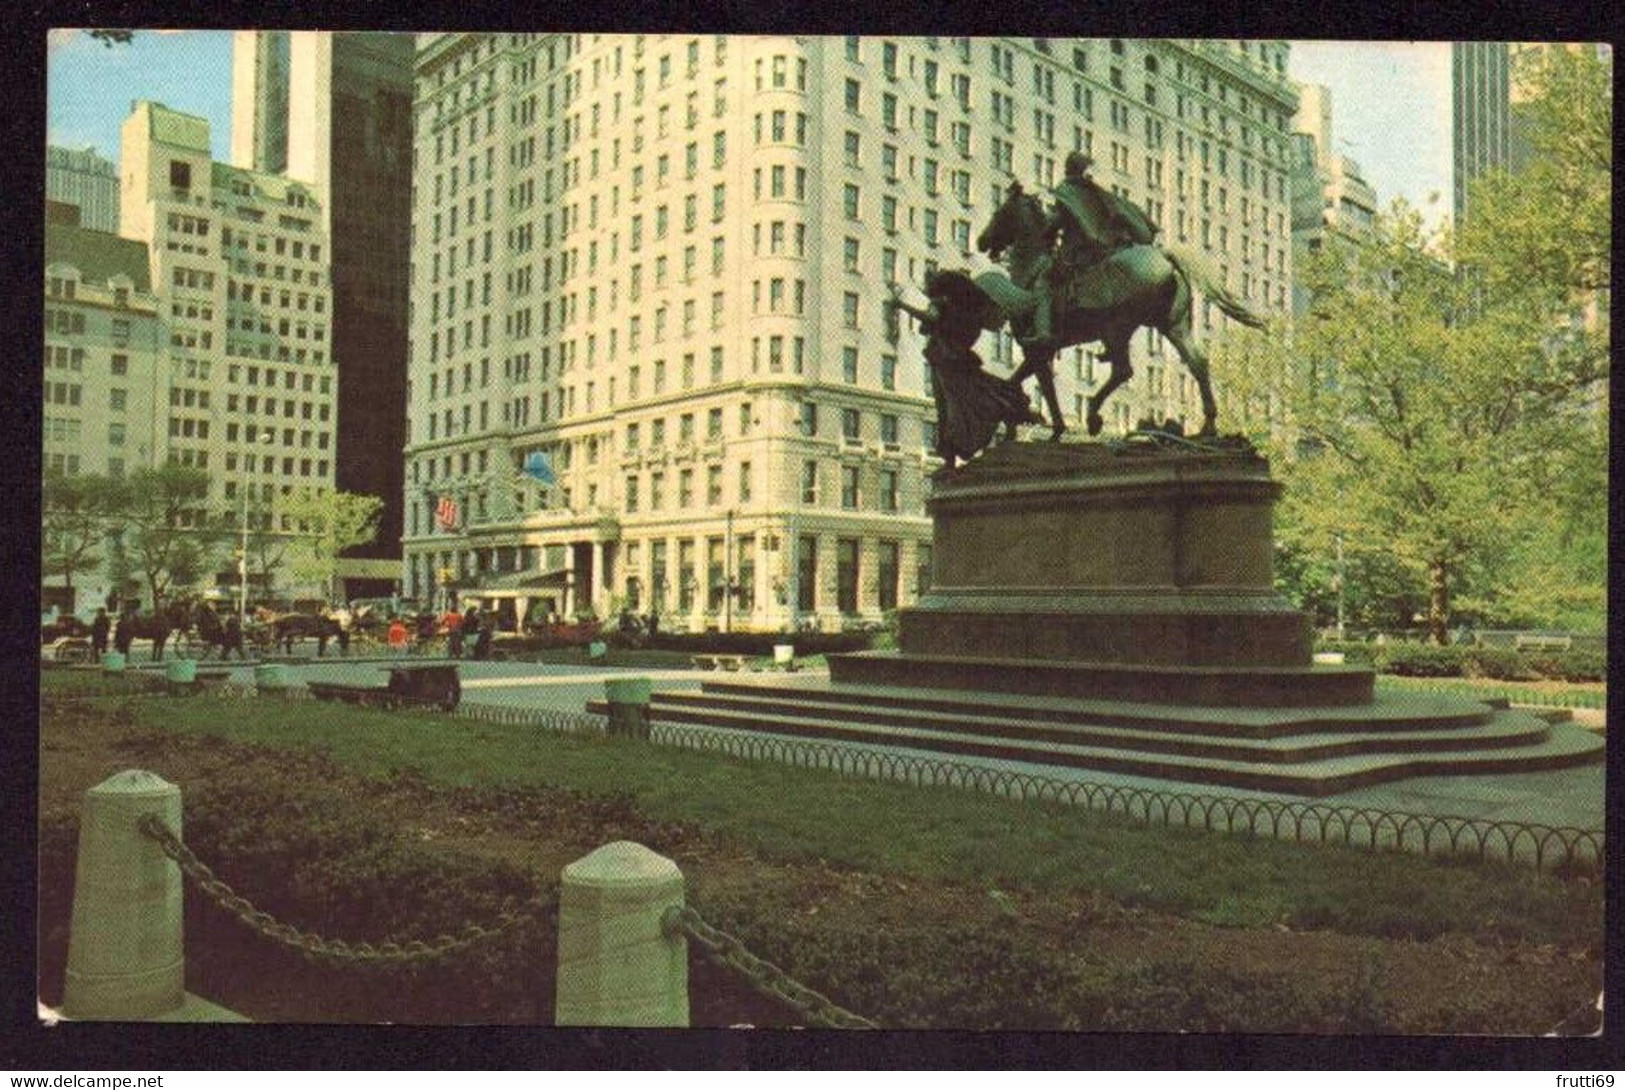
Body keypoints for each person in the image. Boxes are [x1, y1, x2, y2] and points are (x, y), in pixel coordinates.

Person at [890, 271, 1038, 468]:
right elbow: (931, 322)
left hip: (950, 365)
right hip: (951, 364)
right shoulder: (967, 314)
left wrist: (903, 305)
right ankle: (957, 452)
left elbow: (930, 319)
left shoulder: (952, 311)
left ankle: (952, 456)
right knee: (962, 405)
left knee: (951, 409)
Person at [1033, 151, 1158, 345]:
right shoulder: (1094, 191)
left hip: (1077, 255)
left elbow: (1055, 222)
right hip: (1102, 252)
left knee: (1043, 281)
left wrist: (1044, 233)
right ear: (1082, 170)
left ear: (1067, 169)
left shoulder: (1067, 191)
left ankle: (1043, 332)